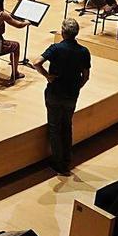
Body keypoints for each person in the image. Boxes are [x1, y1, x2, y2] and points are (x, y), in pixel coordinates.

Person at [32, 18, 91, 176]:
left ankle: (59, 164)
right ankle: (67, 159)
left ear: (63, 32)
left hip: (55, 92)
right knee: (67, 126)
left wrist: (47, 76)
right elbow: (86, 76)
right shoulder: (84, 51)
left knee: (54, 127)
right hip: (71, 94)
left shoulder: (56, 48)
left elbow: (37, 63)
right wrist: (77, 87)